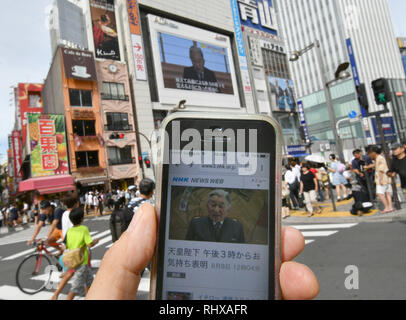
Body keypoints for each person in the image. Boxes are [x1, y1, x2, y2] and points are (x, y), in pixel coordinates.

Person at [86, 203, 319, 300]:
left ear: (227, 209)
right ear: (207, 208)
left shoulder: (236, 226)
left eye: (220, 205)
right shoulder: (197, 224)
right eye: (212, 205)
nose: (216, 209)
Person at [64, 207, 99, 300]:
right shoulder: (84, 229)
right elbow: (90, 244)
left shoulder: (69, 231)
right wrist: (96, 241)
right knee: (75, 288)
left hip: (75, 261)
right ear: (81, 218)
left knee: (90, 283)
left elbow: (67, 246)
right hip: (81, 262)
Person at [50, 194, 79, 300]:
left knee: (69, 273)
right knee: (77, 275)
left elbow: (65, 230)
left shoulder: (64, 214)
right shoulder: (74, 215)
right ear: (75, 203)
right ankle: (56, 295)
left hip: (66, 247)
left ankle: (56, 294)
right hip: (75, 248)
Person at [367, 146, 394, 214]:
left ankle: (387, 207)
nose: (368, 155)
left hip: (381, 178)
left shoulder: (379, 158)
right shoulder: (380, 158)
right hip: (386, 177)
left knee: (379, 193)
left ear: (373, 152)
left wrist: (381, 179)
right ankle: (390, 207)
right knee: (387, 193)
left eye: (369, 153)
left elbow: (381, 170)